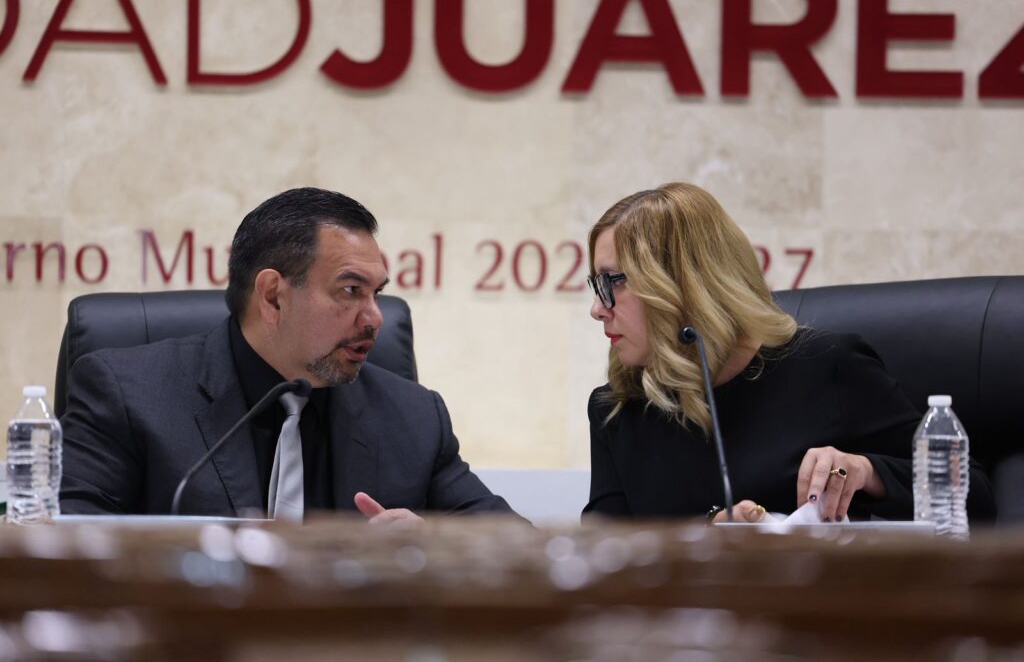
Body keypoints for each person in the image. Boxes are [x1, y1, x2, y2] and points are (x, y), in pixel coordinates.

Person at [60, 187, 513, 523]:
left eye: (376, 293)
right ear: (273, 296)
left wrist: (433, 549)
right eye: (350, 291)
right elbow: (68, 551)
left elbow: (514, 546)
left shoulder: (413, 418)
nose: (374, 317)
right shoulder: (128, 395)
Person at [582, 182, 995, 523]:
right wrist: (704, 536)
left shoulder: (828, 367)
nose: (598, 309)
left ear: (684, 282)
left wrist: (867, 471)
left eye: (612, 282)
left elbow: (975, 498)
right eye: (597, 285)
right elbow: (602, 556)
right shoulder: (615, 407)